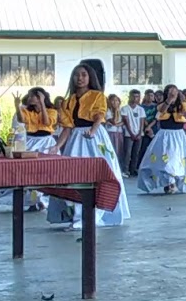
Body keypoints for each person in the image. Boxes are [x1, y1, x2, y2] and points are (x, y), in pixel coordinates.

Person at [47, 61, 130, 228]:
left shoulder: (97, 96)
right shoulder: (68, 101)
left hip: (95, 137)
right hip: (76, 138)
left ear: (90, 77)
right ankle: (77, 214)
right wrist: (57, 146)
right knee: (73, 175)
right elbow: (67, 127)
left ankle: (97, 214)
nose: (80, 78)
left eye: (84, 75)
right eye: (76, 75)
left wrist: (92, 130)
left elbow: (99, 116)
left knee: (100, 174)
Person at [0, 88, 55, 210]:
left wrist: (42, 103)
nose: (30, 98)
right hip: (30, 140)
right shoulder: (26, 111)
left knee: (45, 172)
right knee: (28, 171)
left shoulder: (51, 111)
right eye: (29, 96)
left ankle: (40, 199)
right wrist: (17, 106)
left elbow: (46, 122)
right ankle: (31, 199)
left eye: (33, 96)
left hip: (46, 142)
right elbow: (21, 120)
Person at [138, 84, 186, 194]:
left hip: (178, 135)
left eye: (175, 92)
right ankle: (168, 182)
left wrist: (182, 102)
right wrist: (169, 100)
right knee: (165, 159)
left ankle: (174, 182)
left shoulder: (182, 104)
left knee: (176, 158)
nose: (173, 94)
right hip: (165, 135)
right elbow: (161, 112)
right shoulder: (161, 105)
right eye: (170, 92)